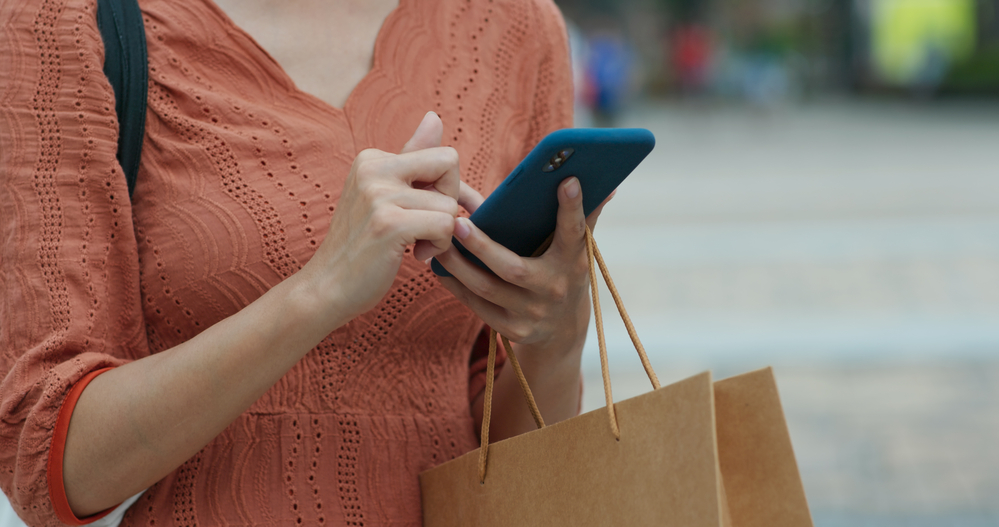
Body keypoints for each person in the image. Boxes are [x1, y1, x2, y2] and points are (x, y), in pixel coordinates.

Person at [0, 0, 606, 525]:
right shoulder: (70, 19)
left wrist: (557, 331)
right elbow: (47, 458)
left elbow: (512, 456)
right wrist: (318, 292)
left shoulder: (516, 25)